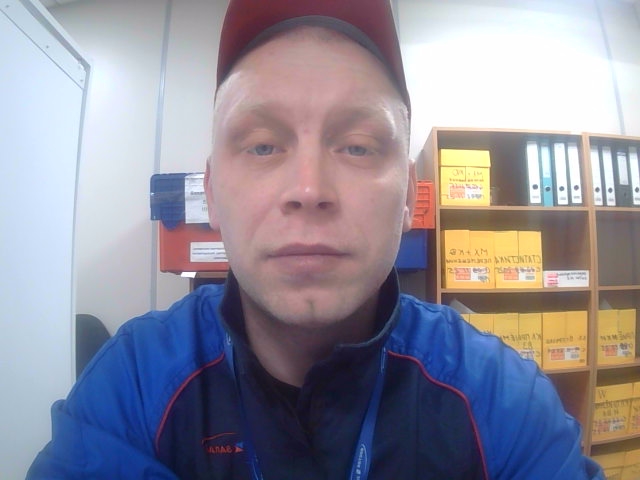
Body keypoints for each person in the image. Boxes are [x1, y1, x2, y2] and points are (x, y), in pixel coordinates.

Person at [28, 0, 604, 478]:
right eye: (262, 145)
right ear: (212, 194)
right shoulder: (132, 383)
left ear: (409, 196)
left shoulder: (502, 399)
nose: (309, 189)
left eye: (357, 146)